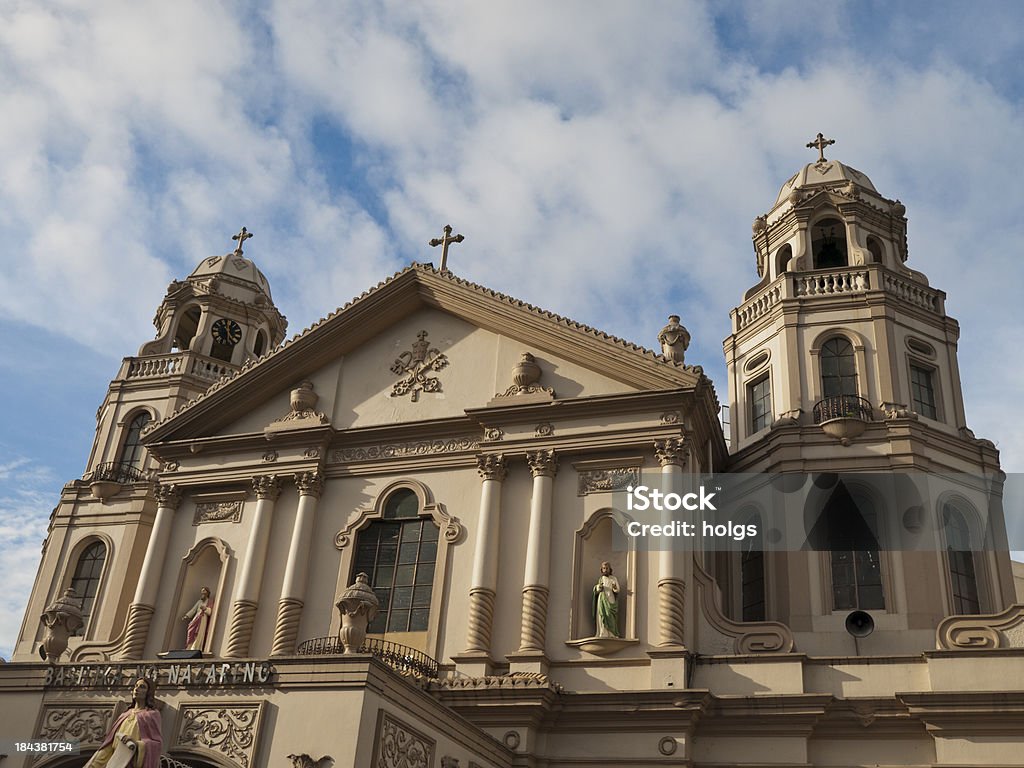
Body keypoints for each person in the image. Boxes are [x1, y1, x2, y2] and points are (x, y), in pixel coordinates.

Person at [84, 677, 162, 768]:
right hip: (116, 762)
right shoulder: (124, 715)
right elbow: (110, 744)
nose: (137, 689)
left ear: (149, 692)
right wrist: (94, 764)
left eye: (142, 687)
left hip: (131, 761)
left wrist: (137, 744)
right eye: (136, 686)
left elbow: (156, 744)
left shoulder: (151, 715)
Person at [592, 561, 620, 638]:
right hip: (602, 599)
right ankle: (603, 632)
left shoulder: (613, 578)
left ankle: (612, 633)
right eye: (604, 568)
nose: (605, 570)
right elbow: (596, 589)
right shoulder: (601, 579)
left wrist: (614, 587)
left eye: (607, 568)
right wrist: (598, 587)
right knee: (602, 615)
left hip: (610, 598)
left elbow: (617, 590)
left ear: (610, 569)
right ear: (602, 570)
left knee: (610, 615)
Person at [181, 586, 212, 651]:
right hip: (196, 617)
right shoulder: (199, 601)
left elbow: (210, 611)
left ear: (207, 593)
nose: (202, 592)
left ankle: (195, 647)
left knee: (199, 633)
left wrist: (205, 608)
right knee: (190, 629)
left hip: (203, 618)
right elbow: (193, 610)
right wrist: (187, 616)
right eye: (202, 591)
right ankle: (189, 646)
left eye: (204, 591)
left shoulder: (209, 601)